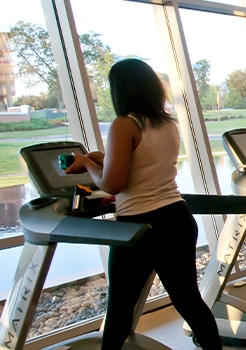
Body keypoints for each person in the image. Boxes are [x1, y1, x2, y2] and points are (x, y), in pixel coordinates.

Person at [65, 59, 222, 350]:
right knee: (188, 300)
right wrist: (107, 159)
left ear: (121, 91)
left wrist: (87, 162)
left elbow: (112, 184)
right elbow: (148, 163)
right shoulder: (167, 124)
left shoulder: (124, 124)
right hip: (176, 218)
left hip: (139, 228)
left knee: (120, 308)